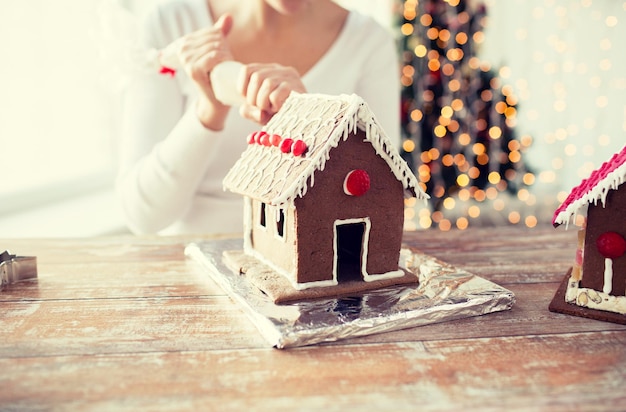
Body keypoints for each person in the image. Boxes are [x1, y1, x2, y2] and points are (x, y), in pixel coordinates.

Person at [116, 0, 401, 235]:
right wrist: (209, 111)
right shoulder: (170, 26)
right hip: (186, 271)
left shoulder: (368, 42)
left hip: (308, 274)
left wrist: (308, 125)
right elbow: (143, 216)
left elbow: (379, 204)